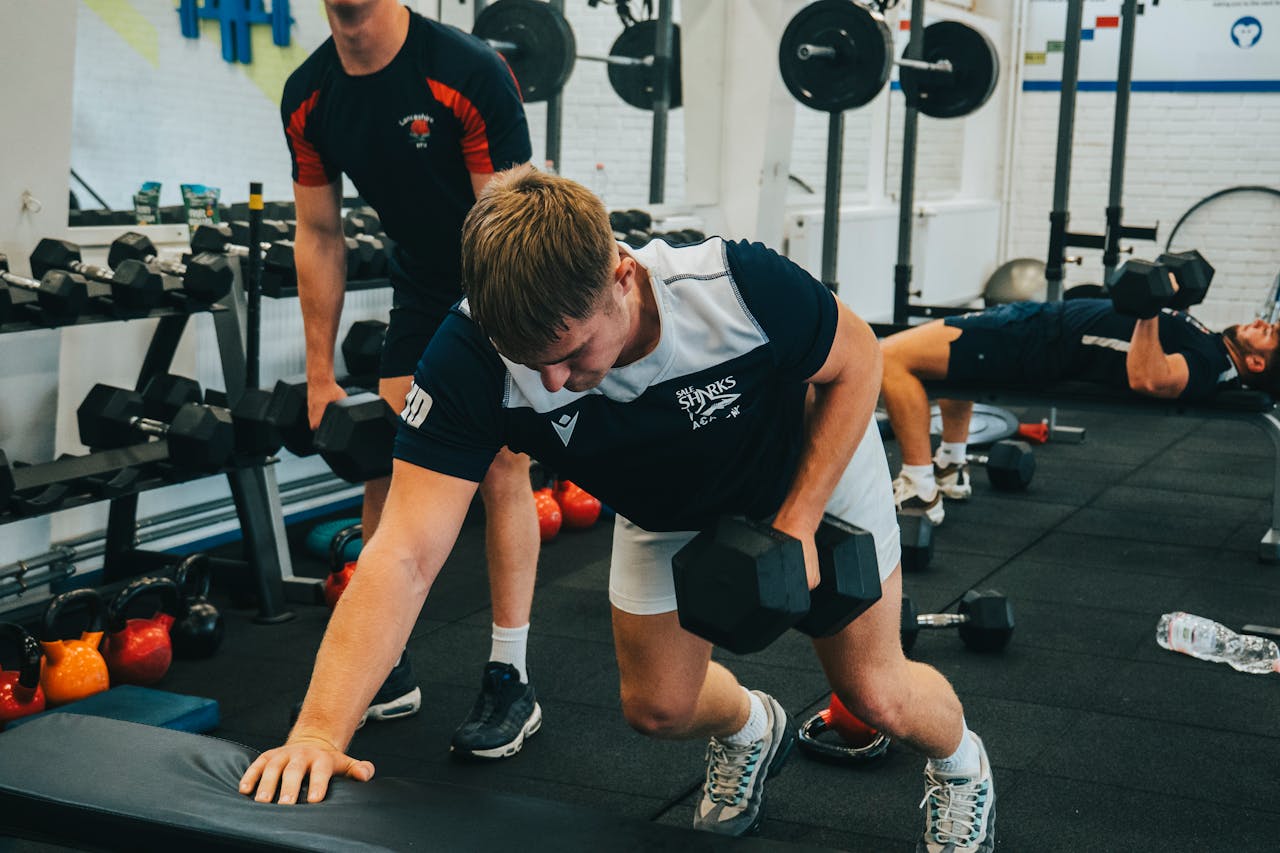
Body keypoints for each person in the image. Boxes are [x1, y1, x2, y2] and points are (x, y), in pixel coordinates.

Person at [239, 167, 998, 853]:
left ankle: (964, 766)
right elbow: (402, 553)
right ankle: (752, 727)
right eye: (534, 363)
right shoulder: (470, 358)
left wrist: (797, 521)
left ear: (622, 276)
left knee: (875, 691)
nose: (558, 380)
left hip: (805, 471)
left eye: (574, 353)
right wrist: (317, 730)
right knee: (659, 707)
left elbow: (860, 357)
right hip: (663, 497)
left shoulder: (734, 287)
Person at [279, 0, 542, 758]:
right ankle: (383, 664)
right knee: (388, 457)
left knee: (500, 464)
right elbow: (319, 233)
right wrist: (320, 375)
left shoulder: (466, 73)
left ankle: (510, 675)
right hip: (422, 288)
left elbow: (509, 224)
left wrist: (503, 347)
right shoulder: (310, 96)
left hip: (501, 274)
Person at [881, 295, 1280, 523]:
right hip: (1036, 325)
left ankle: (919, 487)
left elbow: (1150, 379)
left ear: (1258, 364)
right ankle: (950, 467)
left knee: (887, 358)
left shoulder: (1212, 368)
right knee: (950, 368)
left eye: (1271, 336)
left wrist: (1148, 306)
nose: (1264, 323)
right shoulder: (1214, 349)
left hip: (1034, 343)